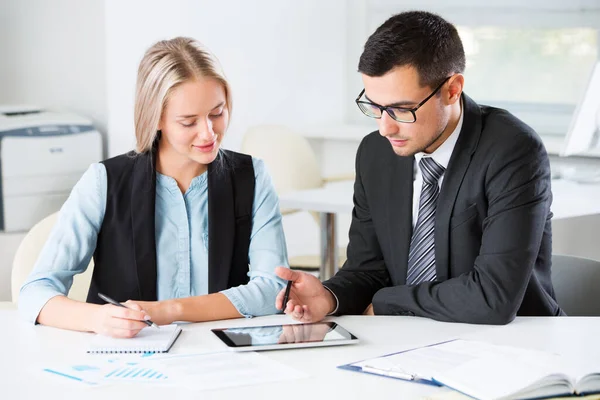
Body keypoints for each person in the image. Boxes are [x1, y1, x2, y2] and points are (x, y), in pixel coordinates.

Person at [276, 11, 564, 325]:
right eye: (374, 106)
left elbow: (492, 298)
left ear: (452, 89)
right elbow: (368, 270)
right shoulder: (375, 153)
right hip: (410, 344)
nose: (385, 128)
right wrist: (330, 297)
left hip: (514, 346)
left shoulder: (512, 150)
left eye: (401, 109)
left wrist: (387, 301)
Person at [19, 37, 289, 337]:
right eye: (189, 122)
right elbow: (35, 293)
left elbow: (273, 292)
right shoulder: (103, 182)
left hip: (223, 357)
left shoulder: (252, 176)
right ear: (156, 117)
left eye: (217, 113)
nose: (209, 133)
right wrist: (96, 319)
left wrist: (171, 310)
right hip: (129, 364)